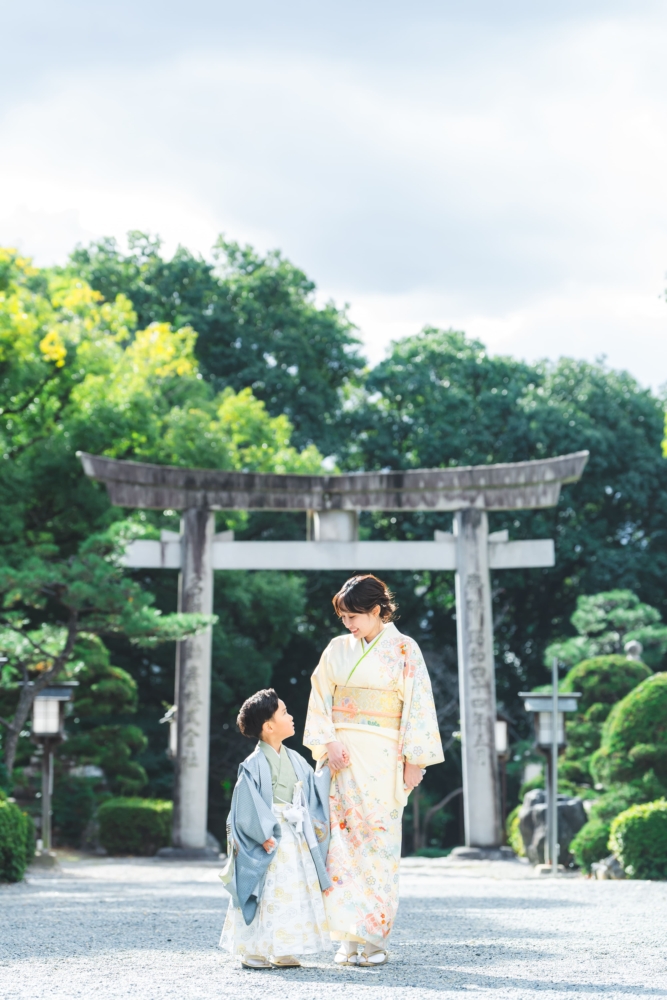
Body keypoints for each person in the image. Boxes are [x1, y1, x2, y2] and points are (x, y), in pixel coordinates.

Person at [304, 574, 444, 967]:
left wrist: (414, 760)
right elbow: (319, 697)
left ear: (378, 610)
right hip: (341, 758)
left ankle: (376, 938)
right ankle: (349, 937)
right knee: (341, 847)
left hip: (382, 757)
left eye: (355, 616)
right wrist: (327, 741)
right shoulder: (336, 649)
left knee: (378, 845)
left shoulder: (403, 649)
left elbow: (418, 704)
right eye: (344, 617)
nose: (348, 624)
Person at [219, 688, 331, 969]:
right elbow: (246, 805)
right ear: (269, 727)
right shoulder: (252, 765)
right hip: (268, 836)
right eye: (284, 712)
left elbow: (315, 790)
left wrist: (329, 765)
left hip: (294, 832)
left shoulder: (295, 759)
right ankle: (251, 949)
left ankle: (282, 947)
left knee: (291, 890)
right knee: (264, 889)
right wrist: (263, 835)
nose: (291, 717)